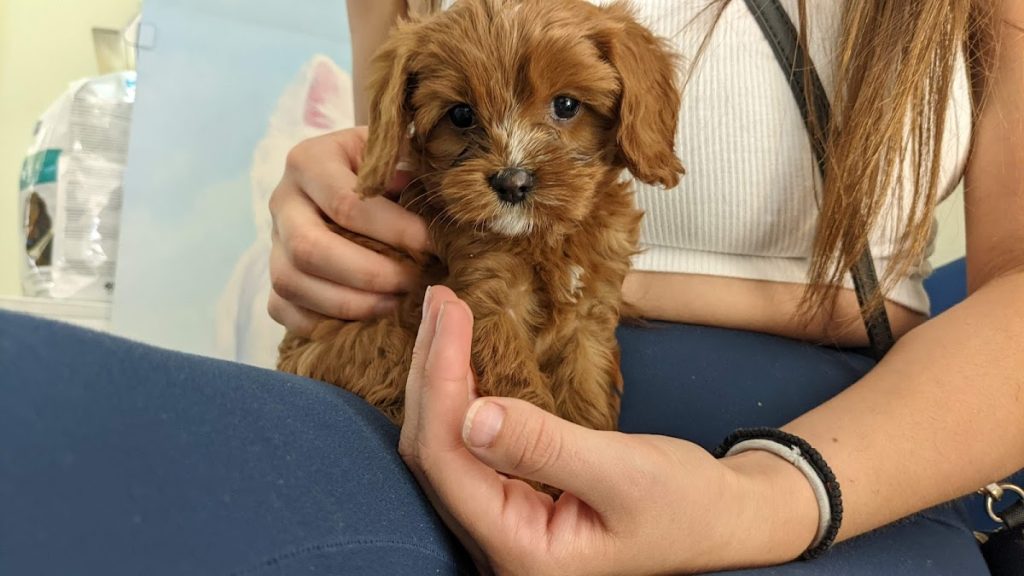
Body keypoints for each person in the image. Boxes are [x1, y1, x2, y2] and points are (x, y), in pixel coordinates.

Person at [1, 1, 1021, 575]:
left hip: (834, 452)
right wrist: (331, 210)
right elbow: (393, 158)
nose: (520, 156)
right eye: (469, 119)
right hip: (425, 416)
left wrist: (767, 499)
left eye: (568, 109)